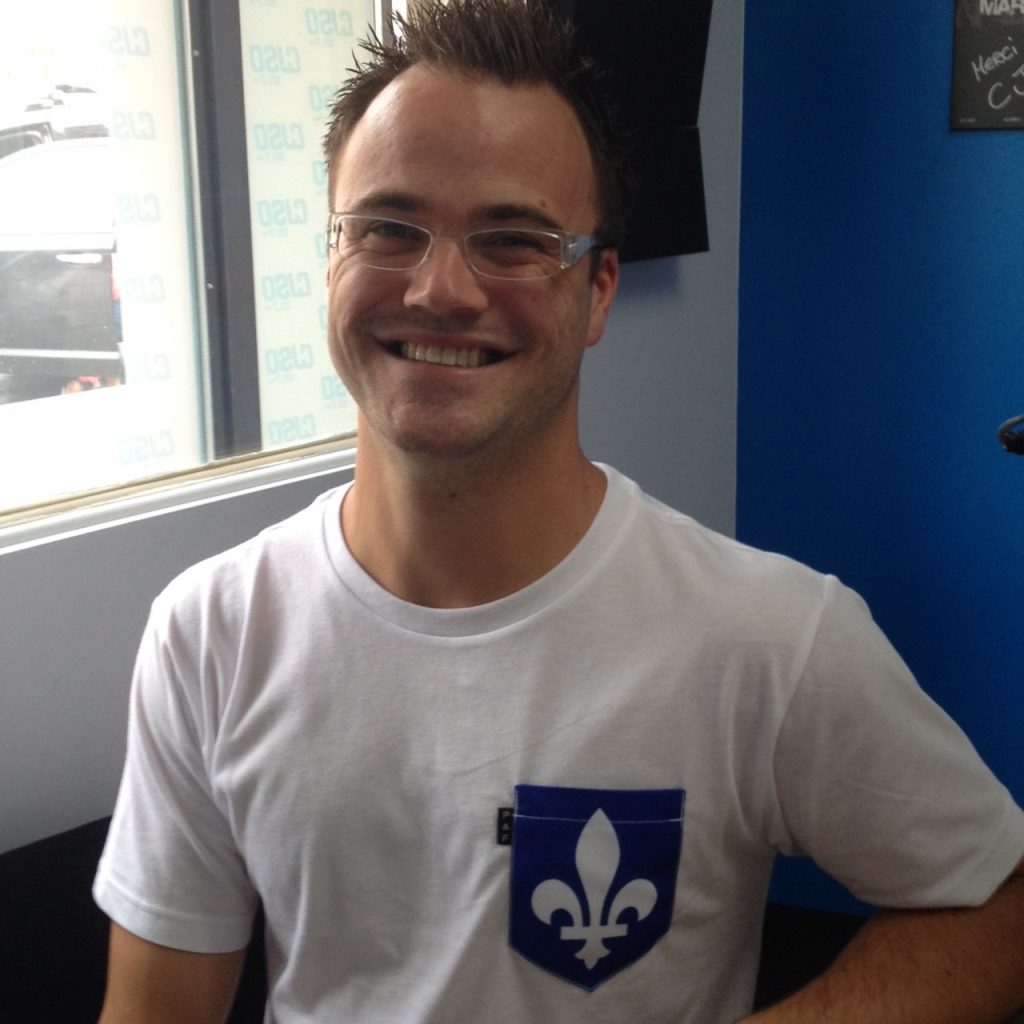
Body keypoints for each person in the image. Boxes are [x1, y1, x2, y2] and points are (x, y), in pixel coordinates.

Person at [93, 1, 1024, 1021]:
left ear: (599, 292)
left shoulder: (768, 639)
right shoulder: (211, 633)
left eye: (513, 240)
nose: (441, 290)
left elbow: (998, 906)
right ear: (330, 261)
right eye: (388, 229)